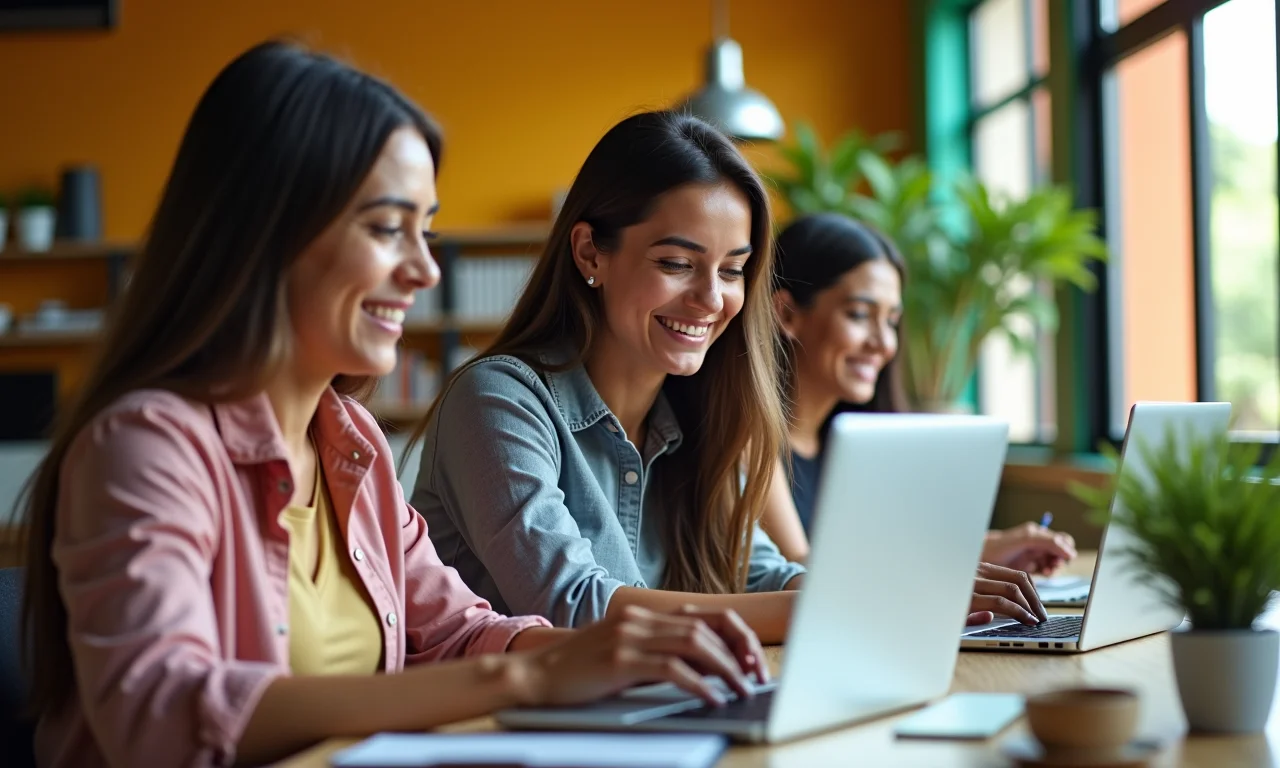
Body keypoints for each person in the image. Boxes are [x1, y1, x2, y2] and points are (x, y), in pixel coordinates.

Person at [17, 43, 768, 768]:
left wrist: (600, 654)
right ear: (266, 234)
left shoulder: (349, 440)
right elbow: (162, 715)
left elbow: (455, 632)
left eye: (425, 232)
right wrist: (531, 675)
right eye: (386, 229)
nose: (424, 270)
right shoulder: (146, 445)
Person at [409, 112, 1049, 647]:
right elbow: (576, 605)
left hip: (654, 717)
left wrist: (906, 590)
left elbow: (762, 572)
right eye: (676, 262)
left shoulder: (704, 413)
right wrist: (844, 604)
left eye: (733, 270)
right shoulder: (498, 402)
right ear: (589, 253)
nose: (711, 299)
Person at [763, 212, 1077, 575]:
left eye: (891, 321)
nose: (884, 343)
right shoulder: (753, 441)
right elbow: (804, 574)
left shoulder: (854, 444)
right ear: (787, 314)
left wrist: (995, 549)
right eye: (859, 315)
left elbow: (886, 553)